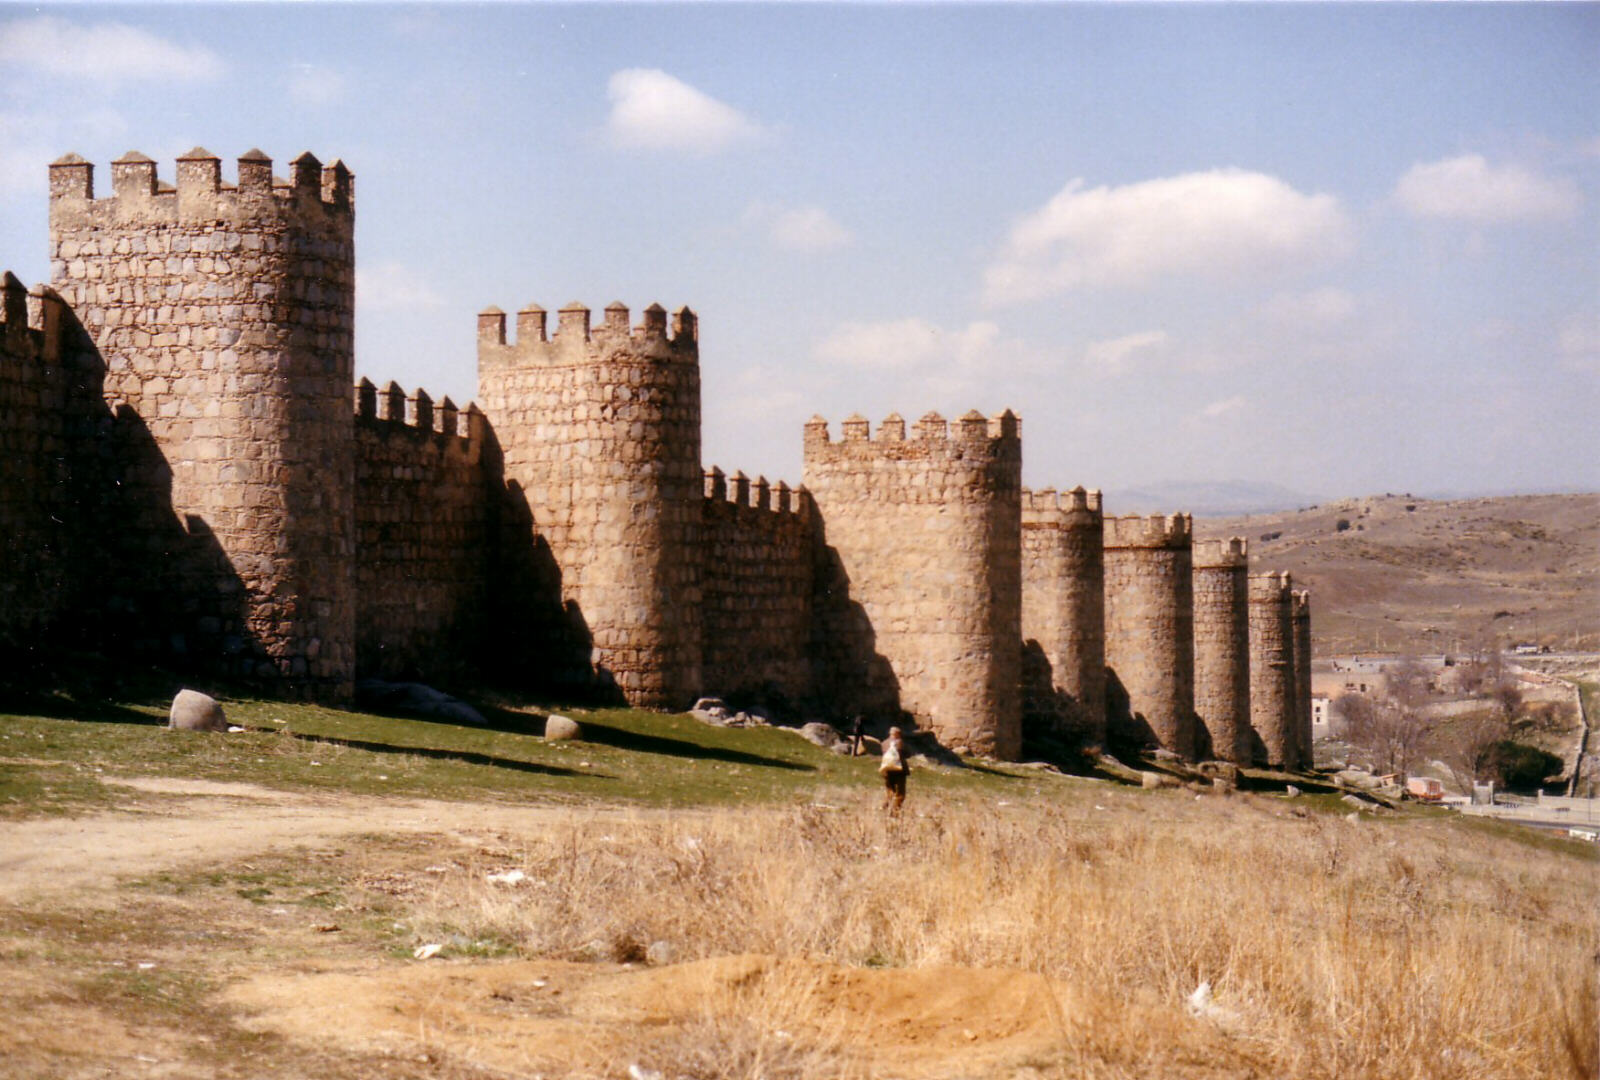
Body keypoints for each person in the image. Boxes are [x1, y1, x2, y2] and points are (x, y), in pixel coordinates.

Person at [879, 726, 909, 814]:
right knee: (900, 793)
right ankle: (894, 812)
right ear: (898, 734)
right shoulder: (900, 743)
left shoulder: (884, 743)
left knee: (890, 791)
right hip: (899, 771)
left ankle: (883, 807)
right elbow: (908, 753)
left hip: (887, 770)